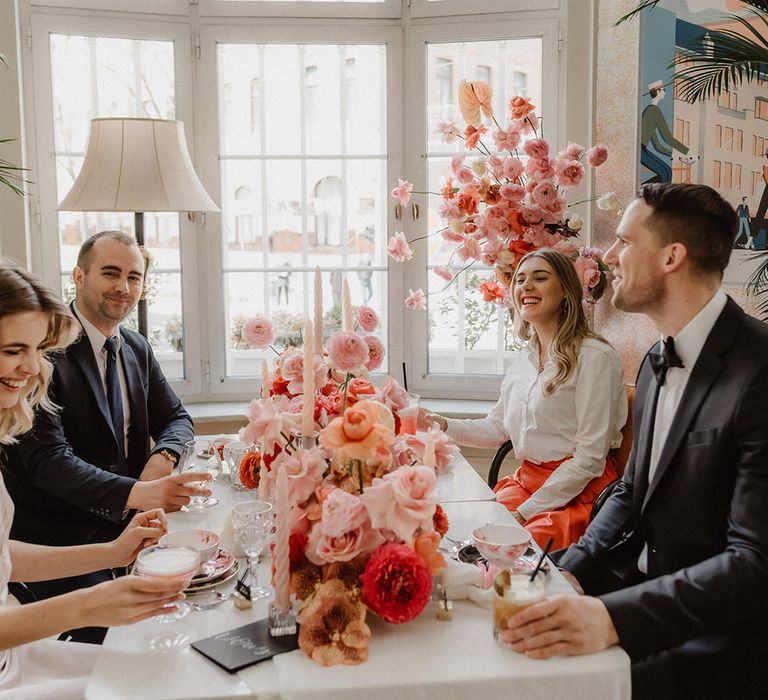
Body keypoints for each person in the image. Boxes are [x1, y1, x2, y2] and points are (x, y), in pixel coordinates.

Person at [502, 184, 768, 700]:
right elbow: (630, 489)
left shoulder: (759, 370)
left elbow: (754, 561)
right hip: (629, 587)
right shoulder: (655, 360)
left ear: (672, 257)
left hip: (716, 636)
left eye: (624, 241)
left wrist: (610, 619)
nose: (609, 256)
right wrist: (570, 574)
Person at [3, 231, 207, 640]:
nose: (123, 286)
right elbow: (48, 463)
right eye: (110, 273)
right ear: (78, 276)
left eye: (134, 277)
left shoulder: (135, 346)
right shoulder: (47, 354)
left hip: (121, 534)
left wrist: (161, 459)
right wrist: (140, 494)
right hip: (59, 538)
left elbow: (177, 417)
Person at [419, 249, 627, 550]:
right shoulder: (525, 359)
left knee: (510, 551)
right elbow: (498, 428)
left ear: (566, 292)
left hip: (579, 491)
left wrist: (524, 513)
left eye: (540, 278)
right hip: (527, 483)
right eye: (519, 280)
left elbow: (590, 460)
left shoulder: (595, 357)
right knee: (465, 538)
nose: (525, 286)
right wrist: (440, 424)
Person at [640, 80, 689, 184]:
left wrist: (673, 155)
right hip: (639, 151)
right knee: (665, 173)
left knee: (667, 171)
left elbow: (657, 146)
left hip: (642, 150)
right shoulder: (653, 110)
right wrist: (687, 152)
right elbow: (667, 138)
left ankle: (646, 192)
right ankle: (645, 192)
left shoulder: (649, 111)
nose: (665, 93)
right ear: (657, 92)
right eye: (663, 90)